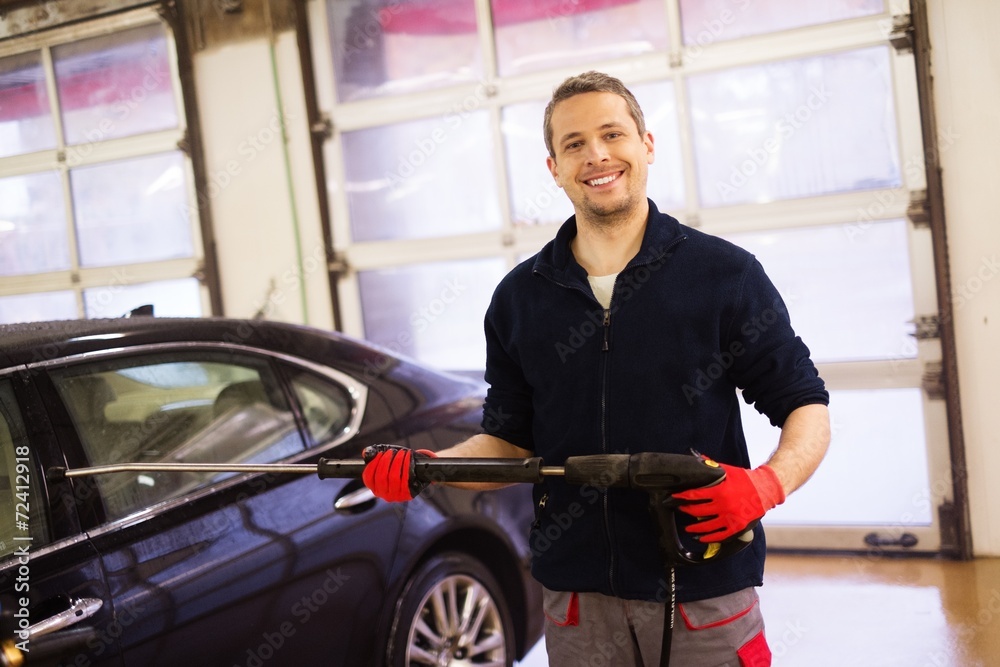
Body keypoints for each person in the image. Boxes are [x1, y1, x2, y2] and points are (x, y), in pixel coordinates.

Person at [361, 71, 831, 666]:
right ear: (554, 166)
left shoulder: (723, 276)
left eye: (612, 134)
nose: (597, 155)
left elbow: (804, 402)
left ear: (647, 145)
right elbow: (509, 443)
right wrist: (430, 468)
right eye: (574, 143)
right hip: (578, 599)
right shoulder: (519, 298)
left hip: (703, 588)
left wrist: (768, 484)